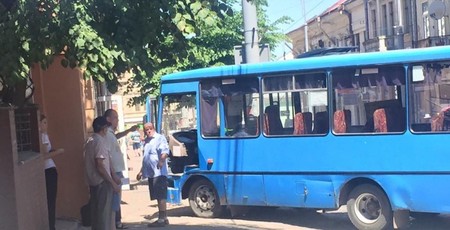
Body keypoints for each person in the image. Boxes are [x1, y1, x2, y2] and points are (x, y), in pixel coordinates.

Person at [84, 116, 121, 230]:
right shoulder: (99, 142)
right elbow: (100, 165)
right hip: (102, 182)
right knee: (104, 216)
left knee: (98, 214)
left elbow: (107, 161)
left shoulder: (90, 140)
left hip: (93, 182)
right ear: (104, 128)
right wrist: (112, 182)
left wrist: (114, 175)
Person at [104, 109, 137, 229]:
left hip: (117, 169)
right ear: (108, 119)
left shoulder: (111, 133)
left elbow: (117, 136)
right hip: (114, 171)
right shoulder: (107, 133)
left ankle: (117, 221)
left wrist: (128, 131)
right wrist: (112, 172)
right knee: (115, 197)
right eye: (115, 118)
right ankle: (115, 223)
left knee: (117, 197)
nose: (117, 120)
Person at [137, 122, 170, 227]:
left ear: (153, 128)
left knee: (161, 196)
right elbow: (146, 158)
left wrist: (161, 160)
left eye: (150, 128)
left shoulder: (160, 138)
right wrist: (141, 171)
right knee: (157, 196)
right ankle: (163, 218)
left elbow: (165, 151)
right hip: (151, 173)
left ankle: (161, 219)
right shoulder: (146, 141)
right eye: (146, 129)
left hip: (159, 172)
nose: (148, 131)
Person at [40, 114, 63, 230]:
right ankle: (51, 226)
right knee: (50, 200)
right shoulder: (42, 136)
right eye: (44, 122)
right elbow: (45, 155)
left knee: (50, 199)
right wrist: (58, 152)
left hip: (48, 169)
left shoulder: (44, 136)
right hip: (48, 169)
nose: (46, 125)